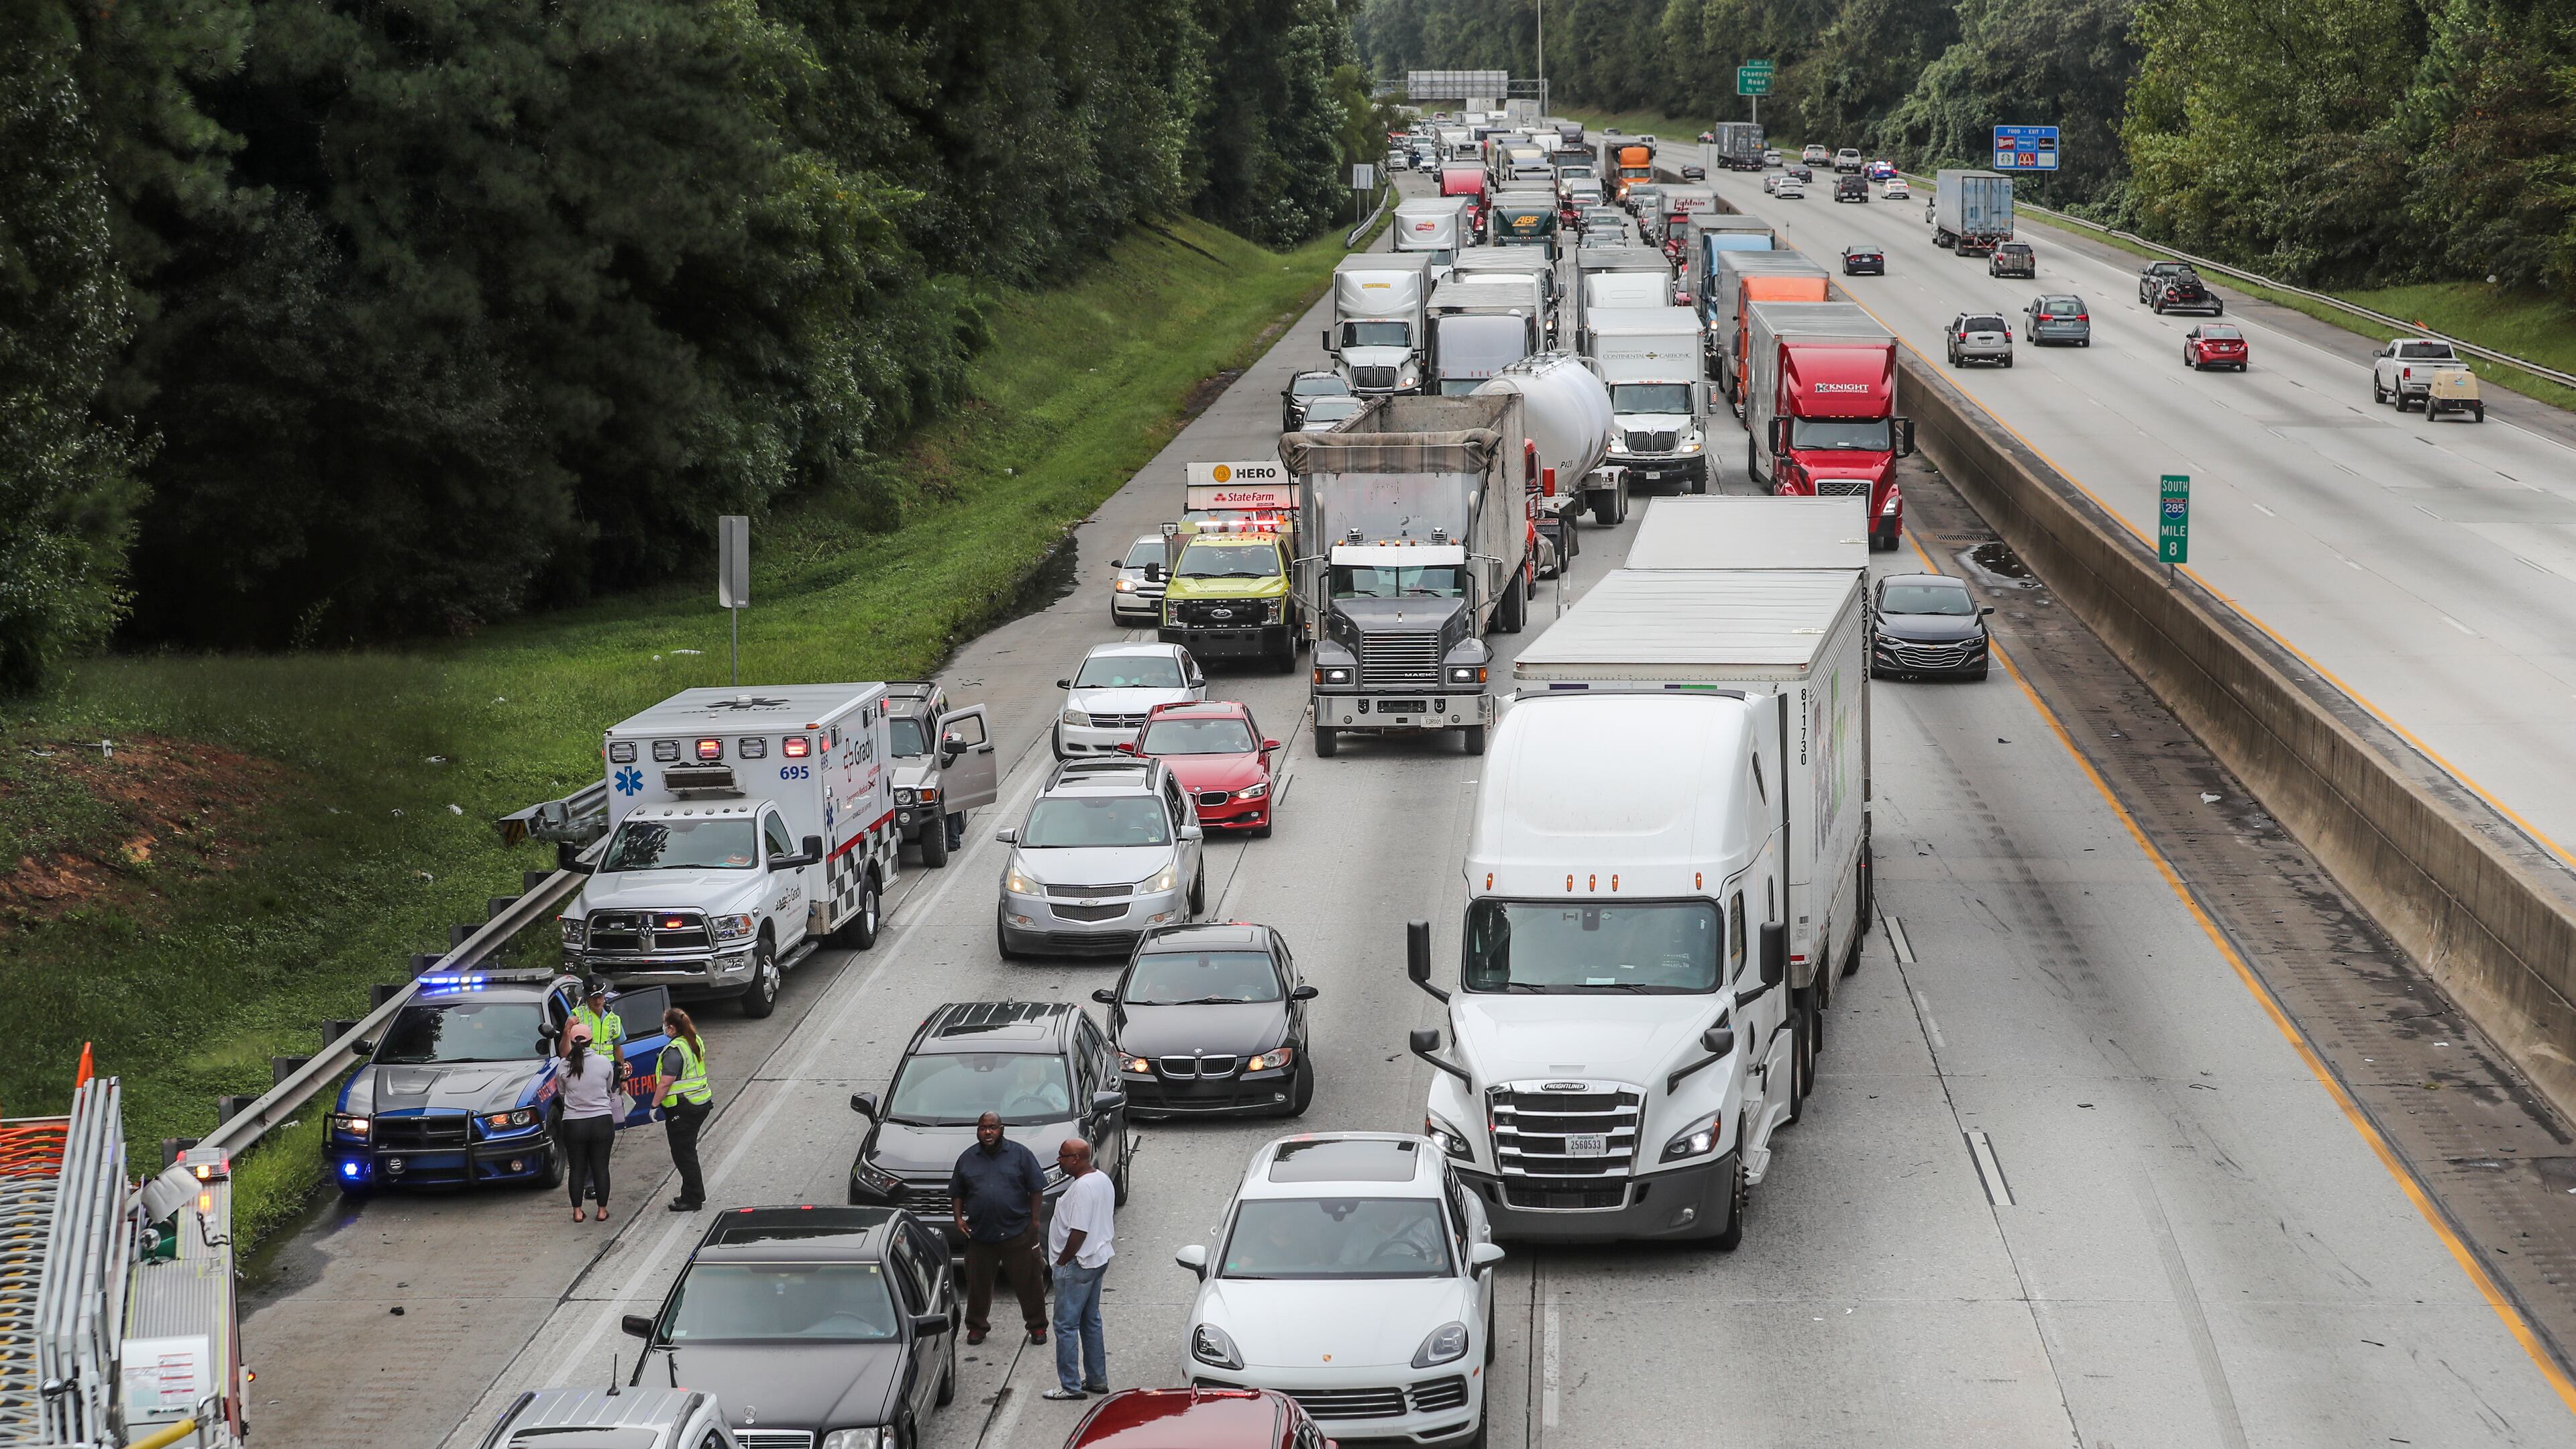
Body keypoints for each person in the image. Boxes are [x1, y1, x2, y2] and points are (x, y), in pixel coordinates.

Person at [950, 1111, 1048, 1346]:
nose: (987, 1132)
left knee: (1030, 1282)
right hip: (981, 1235)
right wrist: (958, 1218)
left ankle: (1037, 1327)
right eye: (983, 1128)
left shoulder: (1020, 1155)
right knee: (977, 1284)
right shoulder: (967, 1159)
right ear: (978, 1130)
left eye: (992, 1127)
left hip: (1017, 1232)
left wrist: (1034, 1221)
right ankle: (976, 1327)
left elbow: (1036, 1187)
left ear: (1001, 1129)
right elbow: (957, 1192)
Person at [1040, 1137, 1116, 1400]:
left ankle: (1070, 1386)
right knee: (1090, 1320)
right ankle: (1097, 1380)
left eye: (1062, 1156)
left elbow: (1079, 1231)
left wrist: (1062, 1261)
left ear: (1075, 1159)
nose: (1058, 1161)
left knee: (1065, 1326)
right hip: (1098, 1259)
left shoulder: (1083, 1188)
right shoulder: (1102, 1180)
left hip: (1078, 1264)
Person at [556, 1026, 619, 1223]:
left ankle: (577, 1212)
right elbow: (609, 1087)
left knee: (576, 1169)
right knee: (601, 1167)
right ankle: (601, 1211)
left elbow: (561, 1092)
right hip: (601, 1121)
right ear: (591, 1041)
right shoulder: (603, 1062)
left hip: (574, 1123)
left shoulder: (563, 1066)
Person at [655, 1007, 713, 1211]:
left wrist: (654, 1105)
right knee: (687, 1151)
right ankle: (690, 1193)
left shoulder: (674, 1051)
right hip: (700, 1103)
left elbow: (665, 1083)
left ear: (671, 1028)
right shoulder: (694, 1040)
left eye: (665, 1025)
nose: (663, 1028)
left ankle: (694, 1198)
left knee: (684, 1155)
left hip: (684, 1109)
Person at [566, 979, 625, 1064]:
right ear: (586, 997)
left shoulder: (614, 1019)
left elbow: (617, 1049)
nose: (597, 1001)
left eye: (600, 996)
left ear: (604, 995)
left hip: (607, 1070)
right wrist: (567, 1030)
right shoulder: (576, 1016)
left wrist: (621, 1069)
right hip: (584, 1069)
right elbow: (566, 1050)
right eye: (593, 998)